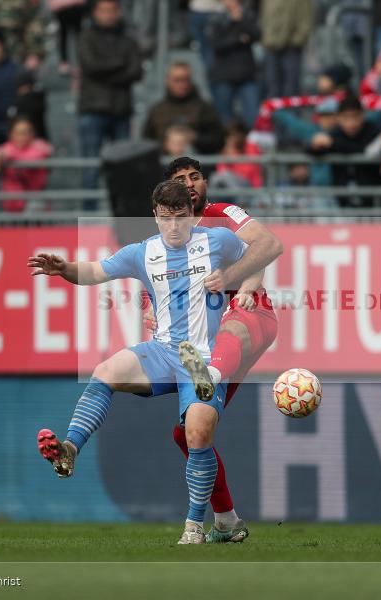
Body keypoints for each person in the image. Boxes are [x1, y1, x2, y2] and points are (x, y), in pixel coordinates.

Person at [31, 180, 249, 545]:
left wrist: (240, 288)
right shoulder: (143, 252)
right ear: (155, 216)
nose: (173, 226)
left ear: (192, 215)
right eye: (165, 218)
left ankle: (195, 527)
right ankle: (69, 449)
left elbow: (255, 256)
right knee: (105, 372)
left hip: (203, 357)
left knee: (197, 433)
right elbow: (96, 271)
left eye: (180, 217)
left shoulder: (217, 241)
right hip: (165, 350)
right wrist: (63, 268)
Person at [163, 156, 283, 542]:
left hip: (250, 316)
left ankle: (207, 377)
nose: (190, 184)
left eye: (195, 177)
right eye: (180, 180)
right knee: (188, 432)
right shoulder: (167, 241)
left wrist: (245, 287)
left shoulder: (223, 212)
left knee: (230, 326)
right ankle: (227, 521)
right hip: (206, 343)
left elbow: (264, 246)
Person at [77, 0, 142, 195]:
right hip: (92, 110)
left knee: (123, 168)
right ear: (95, 13)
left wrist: (104, 70)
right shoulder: (86, 37)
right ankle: (88, 218)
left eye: (113, 10)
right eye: (104, 10)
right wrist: (120, 64)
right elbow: (90, 66)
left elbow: (136, 72)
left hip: (121, 110)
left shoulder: (128, 40)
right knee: (91, 167)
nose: (109, 14)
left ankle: (122, 217)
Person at [308, 94, 381, 207]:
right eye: (346, 117)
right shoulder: (335, 133)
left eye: (355, 117)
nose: (351, 123)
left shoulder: (373, 131)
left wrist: (334, 144)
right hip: (342, 202)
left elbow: (364, 150)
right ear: (339, 118)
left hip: (373, 203)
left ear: (362, 116)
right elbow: (312, 151)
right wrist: (315, 144)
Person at [142, 62, 224, 154]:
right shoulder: (157, 110)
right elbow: (145, 143)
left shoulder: (204, 108)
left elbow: (218, 140)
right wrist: (165, 146)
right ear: (167, 81)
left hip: (198, 163)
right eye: (177, 80)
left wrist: (195, 138)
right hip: (163, 164)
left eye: (186, 79)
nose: (182, 84)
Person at [206, 0, 260, 127]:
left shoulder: (247, 15)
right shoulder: (215, 17)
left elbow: (257, 35)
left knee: (253, 117)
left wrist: (241, 21)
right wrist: (238, 35)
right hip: (223, 75)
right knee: (225, 120)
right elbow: (216, 43)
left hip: (246, 74)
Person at [0, 116, 53, 212]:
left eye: (26, 132)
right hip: (11, 206)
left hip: (34, 206)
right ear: (11, 134)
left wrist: (7, 156)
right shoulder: (8, 148)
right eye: (18, 133)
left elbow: (35, 157)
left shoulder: (39, 146)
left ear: (33, 134)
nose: (22, 137)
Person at [260, 0, 313, 98]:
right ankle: (275, 113)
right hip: (270, 44)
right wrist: (265, 37)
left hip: (291, 46)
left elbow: (306, 18)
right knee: (272, 88)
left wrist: (298, 39)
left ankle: (289, 113)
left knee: (291, 89)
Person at [47, 0, 87, 75]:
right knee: (63, 39)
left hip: (76, 14)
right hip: (62, 16)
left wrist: (64, 3)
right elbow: (53, 5)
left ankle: (80, 63)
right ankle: (64, 62)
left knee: (80, 39)